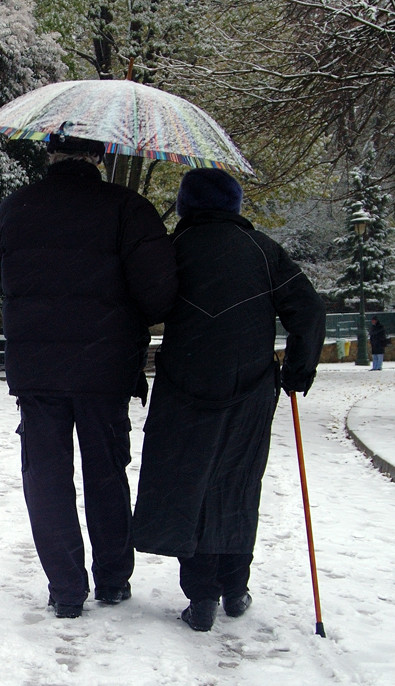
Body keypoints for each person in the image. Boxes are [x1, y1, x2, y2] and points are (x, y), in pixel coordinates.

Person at [132, 168, 326, 632]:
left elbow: (143, 306)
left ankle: (200, 598)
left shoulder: (173, 251)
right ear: (234, 204)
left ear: (186, 206)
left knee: (188, 485)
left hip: (183, 387)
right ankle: (235, 588)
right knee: (238, 483)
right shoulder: (264, 251)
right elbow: (309, 310)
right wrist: (299, 369)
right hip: (251, 390)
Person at [0, 135, 178, 619]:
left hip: (37, 369)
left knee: (46, 477)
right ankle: (113, 580)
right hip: (106, 367)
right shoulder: (128, 209)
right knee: (106, 474)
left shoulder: (15, 208)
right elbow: (158, 296)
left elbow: (5, 279)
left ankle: (67, 588)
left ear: (49, 152)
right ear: (99, 157)